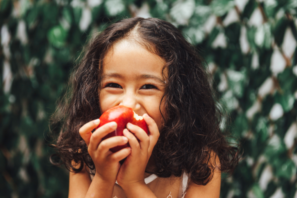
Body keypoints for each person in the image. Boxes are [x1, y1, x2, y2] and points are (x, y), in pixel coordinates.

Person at [50, 17, 240, 198]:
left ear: (180, 98)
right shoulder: (83, 154)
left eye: (148, 87)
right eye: (114, 85)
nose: (128, 103)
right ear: (93, 93)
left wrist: (133, 183)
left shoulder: (202, 162)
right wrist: (103, 178)